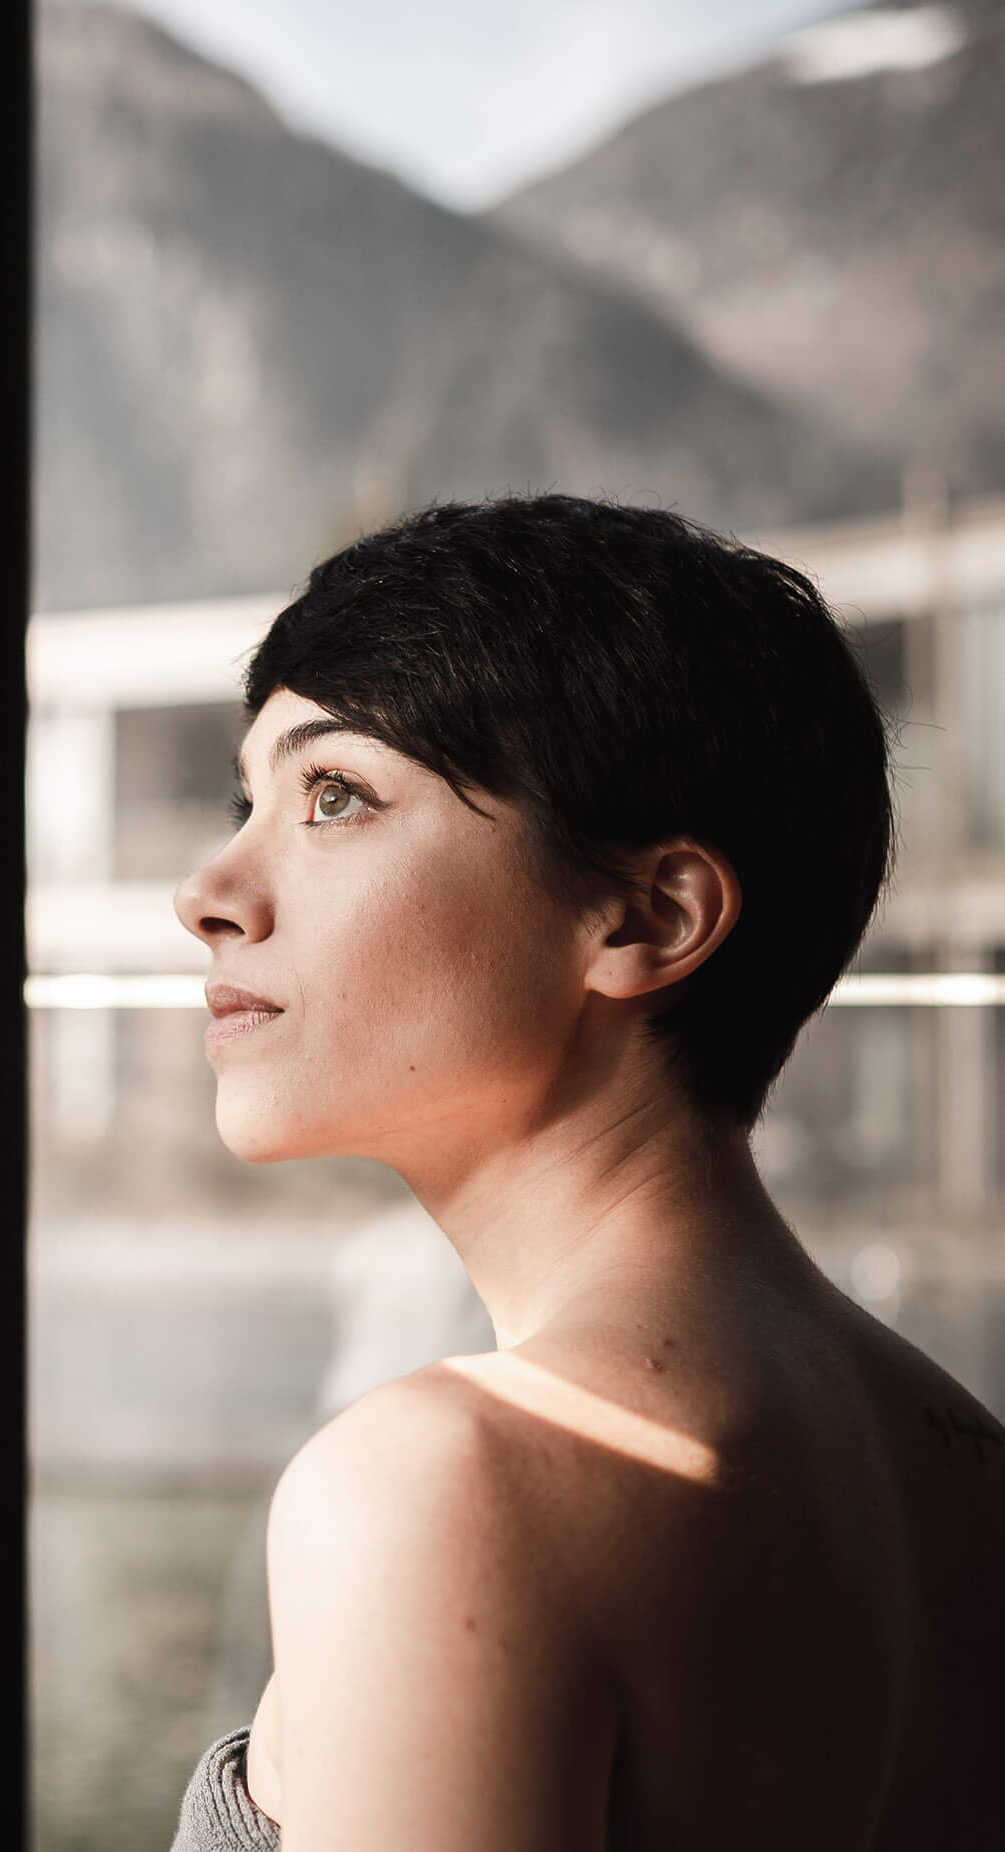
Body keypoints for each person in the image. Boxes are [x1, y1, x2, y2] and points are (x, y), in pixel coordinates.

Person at [168, 496, 1005, 1852]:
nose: (209, 888)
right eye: (245, 801)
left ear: (647, 916)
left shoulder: (444, 1485)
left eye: (335, 797)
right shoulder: (965, 1472)